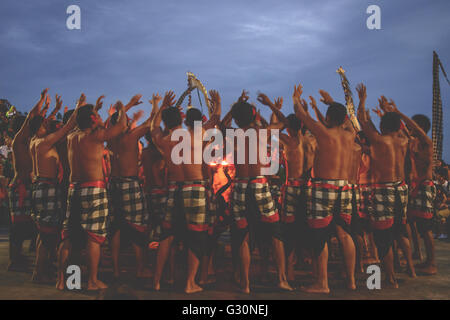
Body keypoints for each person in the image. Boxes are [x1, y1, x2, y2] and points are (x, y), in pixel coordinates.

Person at [151, 90, 221, 294]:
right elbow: (215, 118)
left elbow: (153, 127)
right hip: (195, 187)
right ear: (181, 118)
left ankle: (156, 281)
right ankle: (190, 283)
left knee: (167, 235)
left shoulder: (163, 140)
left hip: (174, 187)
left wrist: (160, 105)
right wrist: (217, 102)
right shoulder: (196, 134)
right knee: (196, 236)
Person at [56, 98, 127, 291]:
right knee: (93, 237)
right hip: (94, 189)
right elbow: (121, 126)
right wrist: (122, 109)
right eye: (96, 115)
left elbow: (76, 122)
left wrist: (88, 108)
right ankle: (92, 280)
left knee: (69, 235)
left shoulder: (71, 137)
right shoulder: (97, 137)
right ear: (93, 120)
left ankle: (63, 281)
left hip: (74, 188)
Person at [293, 84, 357, 293]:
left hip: (324, 187)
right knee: (344, 234)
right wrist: (331, 103)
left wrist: (296, 98)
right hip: (344, 187)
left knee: (319, 235)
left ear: (328, 118)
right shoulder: (351, 134)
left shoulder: (323, 133)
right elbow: (346, 121)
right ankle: (351, 280)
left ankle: (322, 283)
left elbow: (300, 115)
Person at [230, 93, 292, 294]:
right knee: (275, 233)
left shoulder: (232, 133)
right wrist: (270, 103)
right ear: (254, 115)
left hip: (240, 185)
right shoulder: (263, 132)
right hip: (259, 184)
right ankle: (282, 279)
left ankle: (246, 284)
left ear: (236, 119)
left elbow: (218, 126)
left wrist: (234, 107)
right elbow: (284, 122)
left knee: (243, 235)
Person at [357, 87, 416, 288]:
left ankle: (390, 278)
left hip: (383, 191)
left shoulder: (379, 140)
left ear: (383, 125)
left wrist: (362, 100)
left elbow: (362, 120)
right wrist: (393, 111)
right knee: (400, 233)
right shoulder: (404, 140)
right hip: (401, 188)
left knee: (383, 238)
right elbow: (407, 129)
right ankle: (410, 267)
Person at [29, 93, 77, 282]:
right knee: (51, 234)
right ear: (39, 127)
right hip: (47, 188)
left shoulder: (34, 140)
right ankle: (49, 274)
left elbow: (43, 122)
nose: (47, 126)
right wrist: (77, 110)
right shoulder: (44, 142)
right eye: (44, 125)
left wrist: (55, 109)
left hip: (41, 187)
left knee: (44, 233)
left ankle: (39, 271)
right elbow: (65, 129)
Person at [385, 108, 437, 275]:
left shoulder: (427, 143)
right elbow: (403, 132)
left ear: (420, 128)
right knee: (412, 223)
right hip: (415, 186)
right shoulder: (414, 142)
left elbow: (411, 129)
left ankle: (432, 263)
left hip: (424, 187)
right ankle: (420, 255)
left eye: (413, 126)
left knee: (425, 228)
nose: (410, 128)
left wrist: (399, 113)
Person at [108, 94, 154, 279]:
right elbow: (150, 122)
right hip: (130, 184)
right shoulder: (131, 137)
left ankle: (116, 270)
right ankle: (140, 269)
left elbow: (113, 123)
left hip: (113, 184)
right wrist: (160, 105)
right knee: (137, 228)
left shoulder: (109, 138)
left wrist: (126, 108)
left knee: (116, 228)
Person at [8, 89, 48, 271]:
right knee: (18, 228)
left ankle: (19, 258)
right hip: (19, 187)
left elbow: (36, 120)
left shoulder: (29, 141)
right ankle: (14, 261)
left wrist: (46, 109)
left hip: (29, 185)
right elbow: (31, 117)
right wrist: (40, 100)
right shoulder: (18, 141)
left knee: (30, 223)